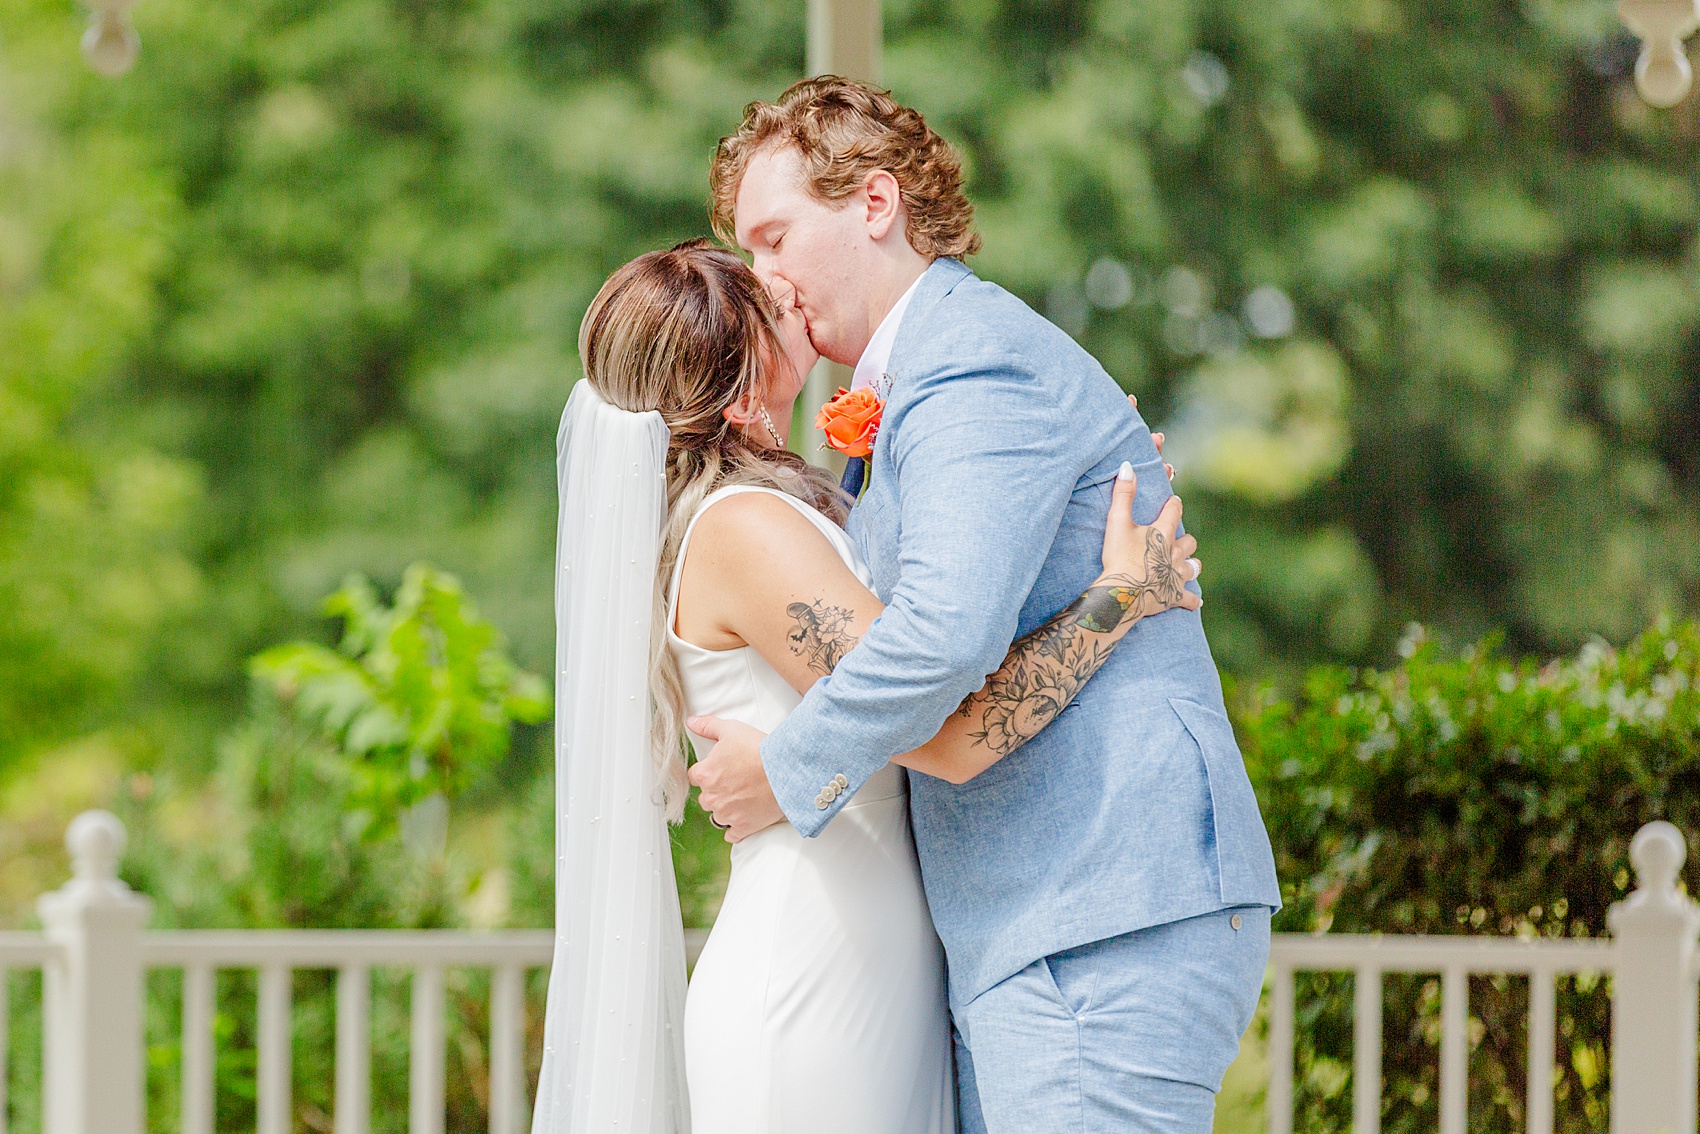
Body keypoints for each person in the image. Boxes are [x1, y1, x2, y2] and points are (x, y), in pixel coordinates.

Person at [685, 78, 1282, 1133]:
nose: (760, 279)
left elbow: (942, 639)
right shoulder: (923, 380)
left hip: (1096, 910)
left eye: (772, 238)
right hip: (1037, 918)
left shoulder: (971, 363)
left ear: (875, 205)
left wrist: (781, 769)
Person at [532, 239, 1200, 1134]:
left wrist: (1063, 461)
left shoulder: (781, 505)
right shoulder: (744, 529)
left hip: (877, 960)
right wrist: (1121, 598)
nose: (782, 284)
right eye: (757, 296)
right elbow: (949, 732)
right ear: (736, 397)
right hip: (814, 978)